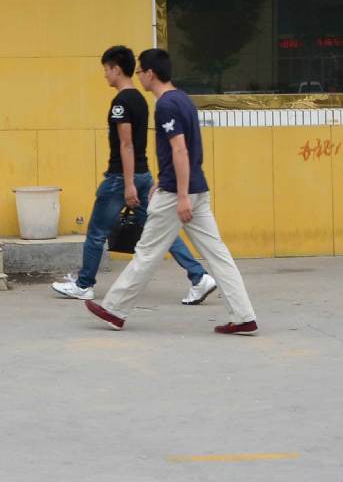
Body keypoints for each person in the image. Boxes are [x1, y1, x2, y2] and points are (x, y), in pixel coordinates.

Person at [85, 48, 258, 336]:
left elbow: (179, 149)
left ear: (151, 73)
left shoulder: (165, 105)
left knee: (147, 252)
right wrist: (165, 181)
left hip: (177, 193)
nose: (139, 76)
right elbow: (186, 150)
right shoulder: (184, 99)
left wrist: (180, 195)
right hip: (197, 188)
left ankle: (114, 309)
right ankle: (243, 316)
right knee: (218, 255)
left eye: (140, 71)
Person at [53, 45, 216, 306]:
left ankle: (84, 285)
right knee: (162, 230)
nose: (105, 75)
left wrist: (127, 183)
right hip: (143, 175)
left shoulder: (121, 103)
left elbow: (126, 144)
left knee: (96, 232)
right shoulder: (140, 99)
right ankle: (198, 276)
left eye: (106, 69)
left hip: (122, 178)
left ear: (116, 69)